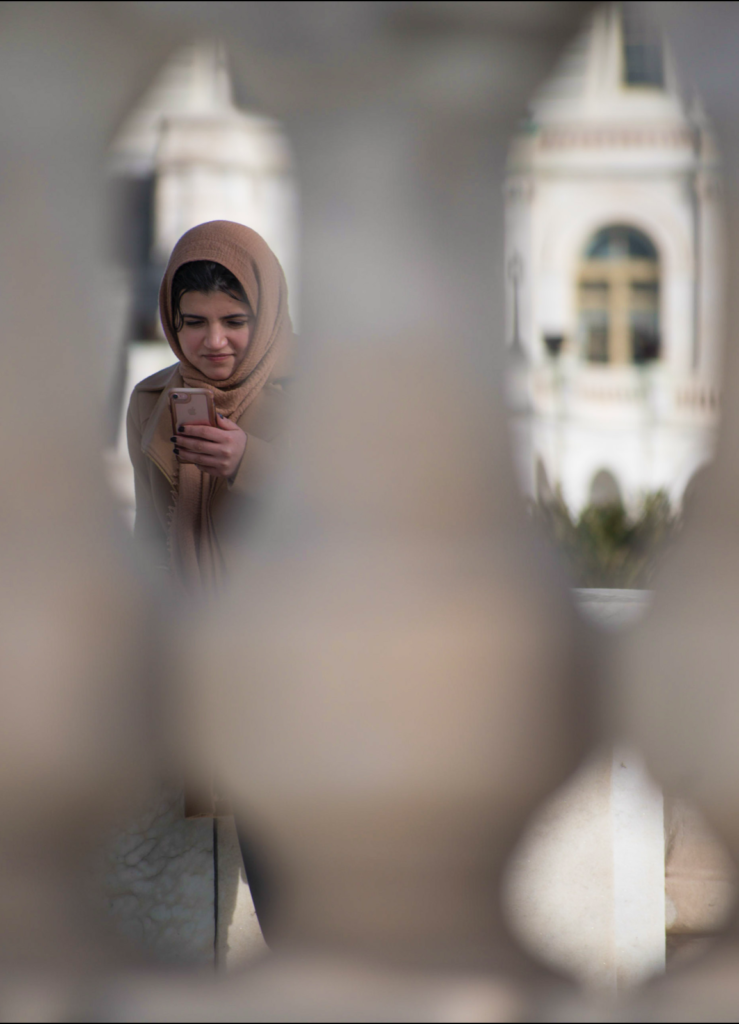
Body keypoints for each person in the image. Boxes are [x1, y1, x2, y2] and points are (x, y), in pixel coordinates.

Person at [126, 219, 292, 943]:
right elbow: (149, 536)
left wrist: (248, 460)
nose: (213, 341)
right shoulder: (150, 400)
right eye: (193, 322)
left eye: (234, 321)